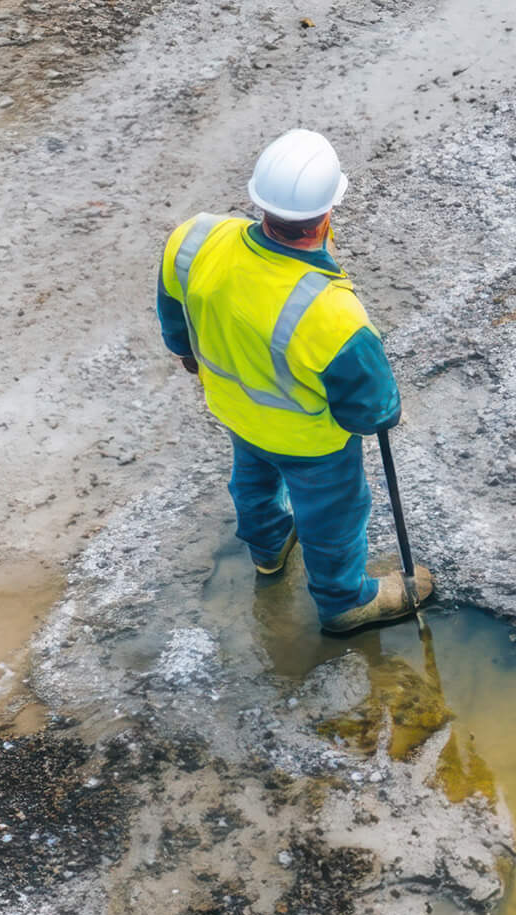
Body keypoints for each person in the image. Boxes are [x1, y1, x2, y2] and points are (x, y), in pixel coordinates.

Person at [156, 129, 434, 634]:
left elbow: (176, 323)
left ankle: (268, 551)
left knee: (253, 482)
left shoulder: (193, 239)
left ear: (259, 199)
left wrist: (187, 354)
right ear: (328, 213)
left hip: (236, 411)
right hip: (312, 445)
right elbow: (372, 412)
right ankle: (345, 603)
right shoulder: (334, 315)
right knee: (333, 517)